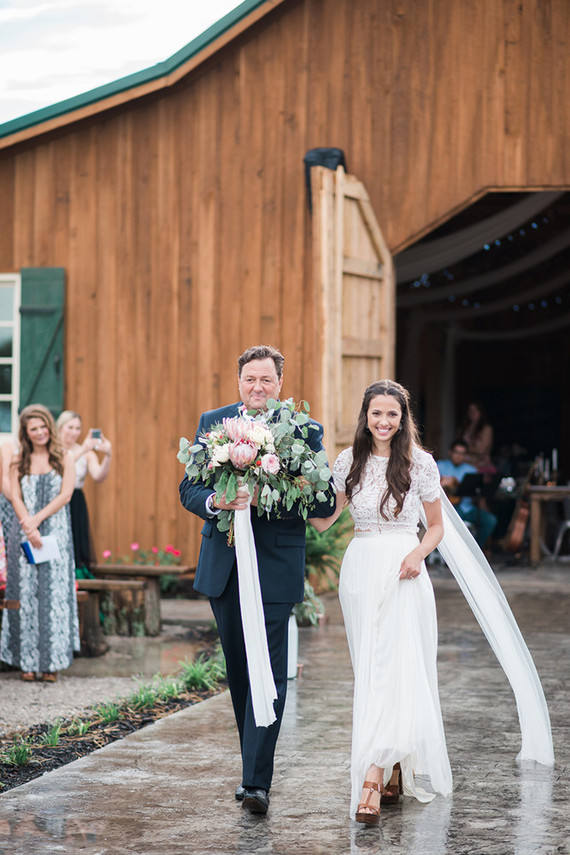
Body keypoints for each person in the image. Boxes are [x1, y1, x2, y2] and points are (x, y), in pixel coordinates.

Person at [179, 345, 334, 815]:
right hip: (225, 565)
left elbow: (323, 501)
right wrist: (218, 502)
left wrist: (264, 493)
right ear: (238, 380)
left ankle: (256, 782)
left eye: (266, 380)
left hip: (273, 565)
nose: (258, 387)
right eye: (250, 379)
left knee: (269, 669)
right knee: (241, 671)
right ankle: (252, 765)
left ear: (280, 384)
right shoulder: (213, 422)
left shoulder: (304, 431)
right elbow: (189, 488)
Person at [309, 379, 451, 824]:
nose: (384, 421)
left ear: (403, 418)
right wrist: (277, 486)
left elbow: (436, 527)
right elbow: (324, 520)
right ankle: (389, 769)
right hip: (360, 571)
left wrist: (415, 555)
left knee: (394, 673)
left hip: (402, 571)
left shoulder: (420, 464)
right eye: (376, 413)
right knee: (371, 673)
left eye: (392, 414)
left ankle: (371, 779)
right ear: (365, 416)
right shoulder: (349, 460)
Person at [0, 404, 79, 681]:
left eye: (43, 426)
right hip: (23, 535)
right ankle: (27, 663)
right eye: (33, 429)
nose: (40, 432)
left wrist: (36, 522)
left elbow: (66, 495)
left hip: (55, 534)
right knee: (25, 595)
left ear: (49, 427)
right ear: (26, 432)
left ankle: (52, 662)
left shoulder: (64, 457)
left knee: (53, 596)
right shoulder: (17, 461)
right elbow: (16, 497)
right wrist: (27, 526)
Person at [56, 411, 112, 575]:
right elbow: (59, 469)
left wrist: (108, 455)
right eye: (70, 427)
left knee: (76, 540)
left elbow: (99, 476)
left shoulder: (87, 453)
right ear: (60, 428)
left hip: (76, 500)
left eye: (78, 428)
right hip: (57, 500)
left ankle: (77, 575)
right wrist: (83, 450)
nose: (74, 432)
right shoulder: (54, 450)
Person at [437, 440, 497, 548]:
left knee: (490, 520)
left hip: (468, 508)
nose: (459, 456)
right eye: (456, 452)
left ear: (465, 456)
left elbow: (477, 492)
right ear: (450, 452)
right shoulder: (440, 466)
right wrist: (443, 482)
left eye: (462, 454)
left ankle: (474, 549)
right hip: (448, 510)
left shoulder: (471, 470)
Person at [457, 401, 495, 471]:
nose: (473, 413)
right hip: (463, 465)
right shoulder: (463, 429)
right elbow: (457, 447)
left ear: (481, 412)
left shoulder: (486, 429)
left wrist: (465, 448)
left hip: (480, 465)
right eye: (470, 410)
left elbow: (481, 450)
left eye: (475, 410)